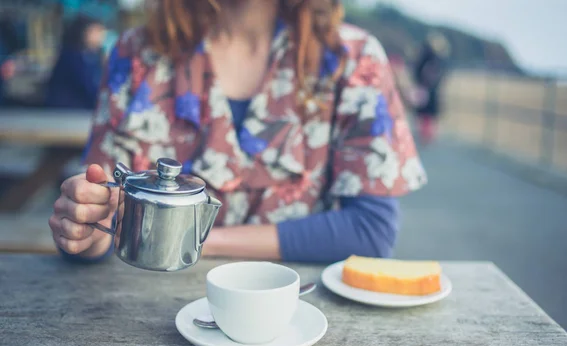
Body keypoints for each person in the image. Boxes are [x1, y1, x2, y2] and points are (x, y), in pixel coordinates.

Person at [48, 0, 427, 264]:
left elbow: (371, 230)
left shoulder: (354, 59)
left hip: (296, 317)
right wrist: (84, 232)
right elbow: (100, 213)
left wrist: (189, 242)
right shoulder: (136, 54)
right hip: (136, 319)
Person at [45, 15, 107, 109]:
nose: (101, 36)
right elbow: (88, 87)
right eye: (96, 31)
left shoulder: (93, 55)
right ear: (83, 32)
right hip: (67, 111)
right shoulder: (72, 56)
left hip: (81, 109)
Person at [412, 31, 450, 145]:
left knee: (425, 115)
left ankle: (426, 137)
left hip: (426, 91)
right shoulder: (436, 59)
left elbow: (417, 72)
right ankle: (426, 137)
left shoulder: (426, 57)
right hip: (429, 91)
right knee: (427, 116)